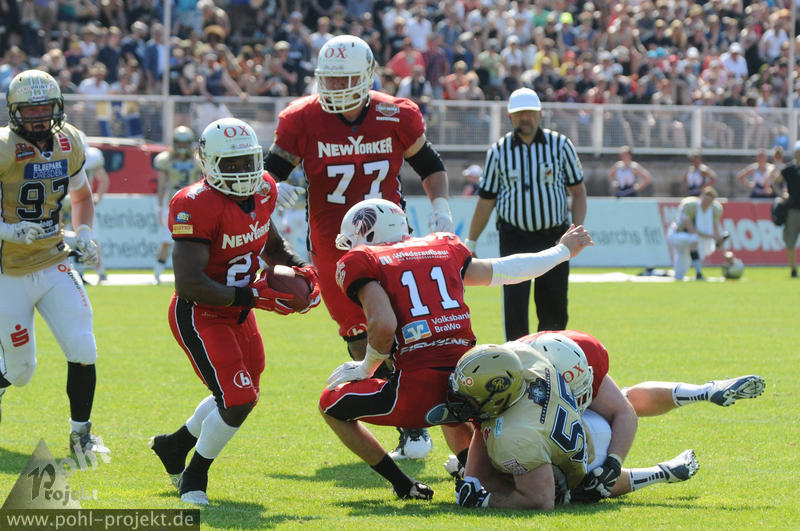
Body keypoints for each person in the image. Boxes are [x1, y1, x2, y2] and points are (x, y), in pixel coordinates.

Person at [318, 198, 593, 500]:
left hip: (417, 391)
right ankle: (477, 473)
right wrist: (562, 251)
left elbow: (383, 324)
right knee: (452, 410)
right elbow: (506, 270)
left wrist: (366, 367)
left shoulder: (364, 260)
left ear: (365, 233)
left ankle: (403, 484)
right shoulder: (443, 246)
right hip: (473, 382)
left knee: (329, 404)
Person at [265, 34, 455, 460]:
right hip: (334, 244)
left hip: (391, 239)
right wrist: (272, 190)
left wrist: (441, 206)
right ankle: (397, 411)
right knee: (357, 334)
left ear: (368, 76)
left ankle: (415, 425)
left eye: (346, 79)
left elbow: (429, 164)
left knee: (407, 330)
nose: (336, 88)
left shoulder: (396, 112)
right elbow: (270, 172)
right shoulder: (301, 118)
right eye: (330, 79)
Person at [148, 118, 321, 505]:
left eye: (248, 162)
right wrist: (253, 297)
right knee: (237, 398)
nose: (243, 171)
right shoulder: (194, 203)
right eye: (231, 164)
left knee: (244, 394)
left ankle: (174, 446)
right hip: (201, 312)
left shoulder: (265, 189)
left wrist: (303, 272)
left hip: (239, 311)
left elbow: (271, 245)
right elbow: (189, 283)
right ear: (209, 163)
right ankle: (194, 478)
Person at [510, 330, 764, 503]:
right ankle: (703, 392)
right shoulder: (513, 384)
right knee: (608, 420)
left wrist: (612, 464)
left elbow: (623, 412)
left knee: (587, 467)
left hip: (560, 359)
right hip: (540, 388)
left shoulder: (580, 354)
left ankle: (662, 472)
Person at [445, 343, 702, 510]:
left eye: (470, 398)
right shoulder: (521, 357)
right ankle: (664, 469)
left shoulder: (515, 435)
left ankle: (660, 472)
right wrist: (473, 477)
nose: (463, 403)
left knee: (583, 487)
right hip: (581, 423)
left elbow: (539, 500)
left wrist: (485, 500)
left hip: (588, 452)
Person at [0, 70, 108, 454]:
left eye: (45, 108)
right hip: (8, 270)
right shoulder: (3, 148)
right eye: (30, 110)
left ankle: (81, 437)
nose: (39, 117)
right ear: (14, 111)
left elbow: (81, 197)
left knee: (83, 347)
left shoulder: (69, 141)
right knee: (20, 371)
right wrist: (8, 230)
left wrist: (84, 233)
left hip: (52, 260)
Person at [465, 88, 587, 340]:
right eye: (519, 114)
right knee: (515, 307)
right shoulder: (498, 151)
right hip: (514, 237)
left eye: (529, 113)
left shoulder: (560, 145)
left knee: (554, 307)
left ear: (540, 114)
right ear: (510, 117)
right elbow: (486, 201)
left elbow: (578, 191)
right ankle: (518, 360)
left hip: (554, 237)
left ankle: (553, 358)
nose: (525, 118)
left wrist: (573, 232)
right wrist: (471, 242)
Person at [152, 126, 203, 284]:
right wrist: (159, 207)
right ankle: (157, 274)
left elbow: (200, 184)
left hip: (191, 206)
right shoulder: (166, 160)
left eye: (184, 143)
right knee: (167, 241)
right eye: (179, 143)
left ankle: (191, 274)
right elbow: (161, 186)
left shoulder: (196, 161)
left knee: (193, 243)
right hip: (173, 206)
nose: (182, 147)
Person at [667, 186, 727, 280]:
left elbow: (715, 228)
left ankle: (659, 273)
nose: (706, 203)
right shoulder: (691, 206)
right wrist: (712, 236)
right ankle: (699, 273)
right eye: (705, 200)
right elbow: (691, 229)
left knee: (679, 275)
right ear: (701, 197)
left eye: (709, 201)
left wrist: (723, 250)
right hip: (677, 235)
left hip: (692, 240)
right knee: (694, 238)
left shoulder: (715, 210)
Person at [772, 141, 800, 278]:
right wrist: (782, 194)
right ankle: (793, 270)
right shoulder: (789, 169)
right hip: (793, 210)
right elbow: (775, 183)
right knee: (790, 241)